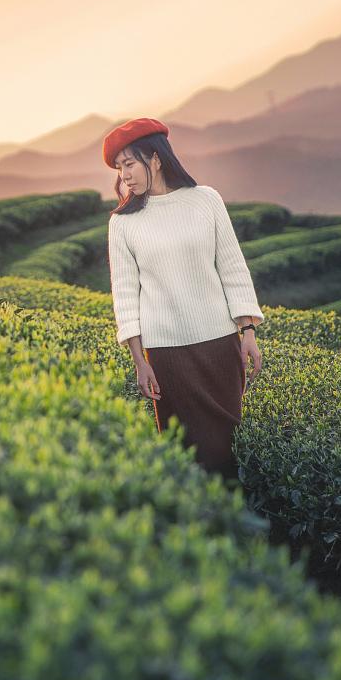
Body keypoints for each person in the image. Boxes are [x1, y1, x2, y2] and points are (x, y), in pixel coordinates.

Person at [103, 117, 263, 482]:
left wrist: (248, 330)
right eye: (119, 168)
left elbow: (232, 266)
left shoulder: (206, 200)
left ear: (155, 158)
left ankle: (233, 528)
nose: (124, 175)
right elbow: (125, 296)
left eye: (129, 163)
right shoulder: (123, 223)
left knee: (228, 451)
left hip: (219, 347)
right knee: (187, 457)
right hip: (167, 356)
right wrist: (140, 361)